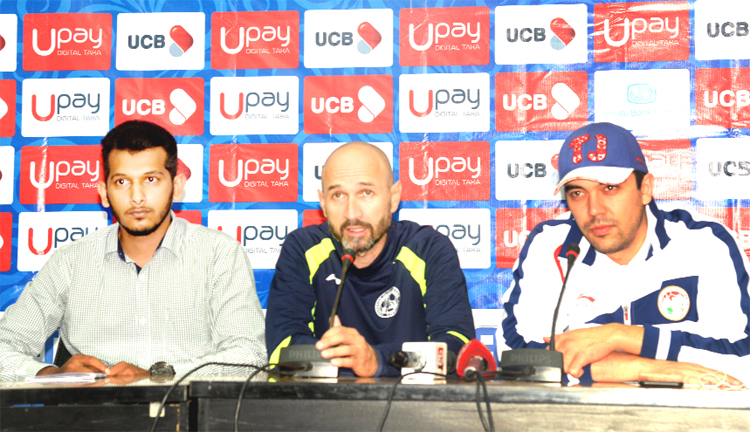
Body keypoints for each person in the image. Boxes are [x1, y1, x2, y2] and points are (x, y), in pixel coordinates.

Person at [0, 120, 267, 382]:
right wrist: (51, 374)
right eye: (122, 182)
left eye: (151, 179)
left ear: (176, 186)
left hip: (188, 415)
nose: (137, 196)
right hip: (93, 418)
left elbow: (248, 357)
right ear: (104, 193)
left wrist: (156, 376)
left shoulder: (219, 254)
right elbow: (5, 345)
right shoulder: (71, 262)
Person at [497, 122, 750, 386]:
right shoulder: (550, 245)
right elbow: (515, 361)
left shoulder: (705, 242)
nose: (594, 209)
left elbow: (743, 360)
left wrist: (619, 337)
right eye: (577, 192)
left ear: (645, 189)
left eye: (609, 188)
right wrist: (645, 369)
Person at [265, 141, 475, 377]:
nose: (352, 213)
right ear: (322, 203)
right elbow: (281, 349)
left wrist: (377, 361)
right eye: (338, 195)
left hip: (415, 407)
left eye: (366, 193)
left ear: (393, 198)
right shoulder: (303, 249)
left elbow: (458, 347)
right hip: (327, 406)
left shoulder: (428, 249)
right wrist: (347, 357)